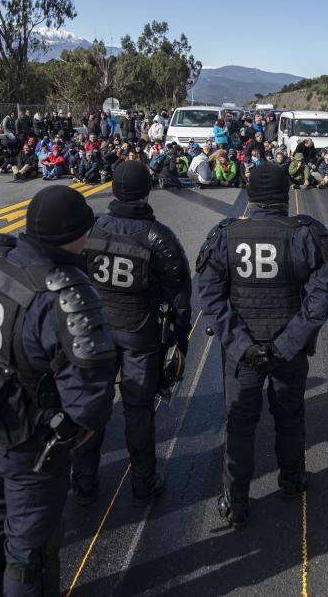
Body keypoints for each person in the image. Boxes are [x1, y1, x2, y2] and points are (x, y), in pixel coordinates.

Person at [0, 186, 118, 596]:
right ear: (75, 234)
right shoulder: (64, 292)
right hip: (31, 438)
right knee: (28, 550)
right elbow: (89, 396)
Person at [196, 163, 328, 529]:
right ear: (284, 195)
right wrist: (285, 345)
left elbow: (211, 297)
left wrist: (242, 344)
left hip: (241, 352)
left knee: (240, 424)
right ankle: (291, 481)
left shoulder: (226, 234)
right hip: (287, 351)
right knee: (289, 418)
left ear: (251, 194)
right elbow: (319, 300)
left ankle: (236, 501)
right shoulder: (304, 234)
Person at [70, 162, 192, 505]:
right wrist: (180, 341)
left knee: (92, 405)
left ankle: (83, 479)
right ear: (146, 191)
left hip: (95, 331)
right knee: (138, 409)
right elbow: (180, 297)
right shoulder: (159, 236)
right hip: (140, 332)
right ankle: (143, 481)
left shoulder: (90, 230)